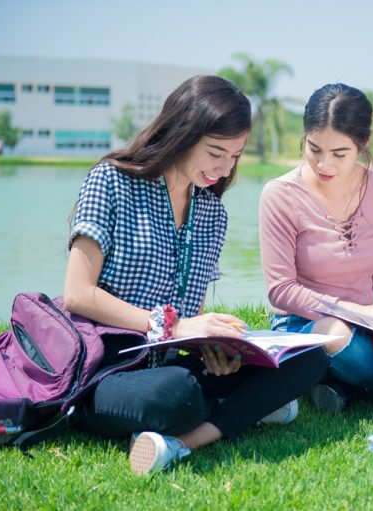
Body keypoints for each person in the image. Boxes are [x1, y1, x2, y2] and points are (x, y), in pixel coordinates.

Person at [64, 75, 328, 474]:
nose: (224, 169)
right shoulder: (112, 181)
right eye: (215, 153)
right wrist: (174, 327)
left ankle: (187, 439)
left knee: (307, 358)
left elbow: (193, 319)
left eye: (235, 156)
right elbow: (78, 295)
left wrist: (214, 349)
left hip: (170, 363)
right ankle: (247, 409)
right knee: (176, 396)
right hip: (106, 368)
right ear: (183, 133)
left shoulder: (211, 214)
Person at [259, 83, 373, 413]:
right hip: (308, 323)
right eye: (313, 149)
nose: (323, 164)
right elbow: (281, 291)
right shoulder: (280, 194)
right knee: (336, 335)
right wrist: (355, 311)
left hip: (369, 321)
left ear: (363, 144)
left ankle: (340, 387)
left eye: (339, 154)